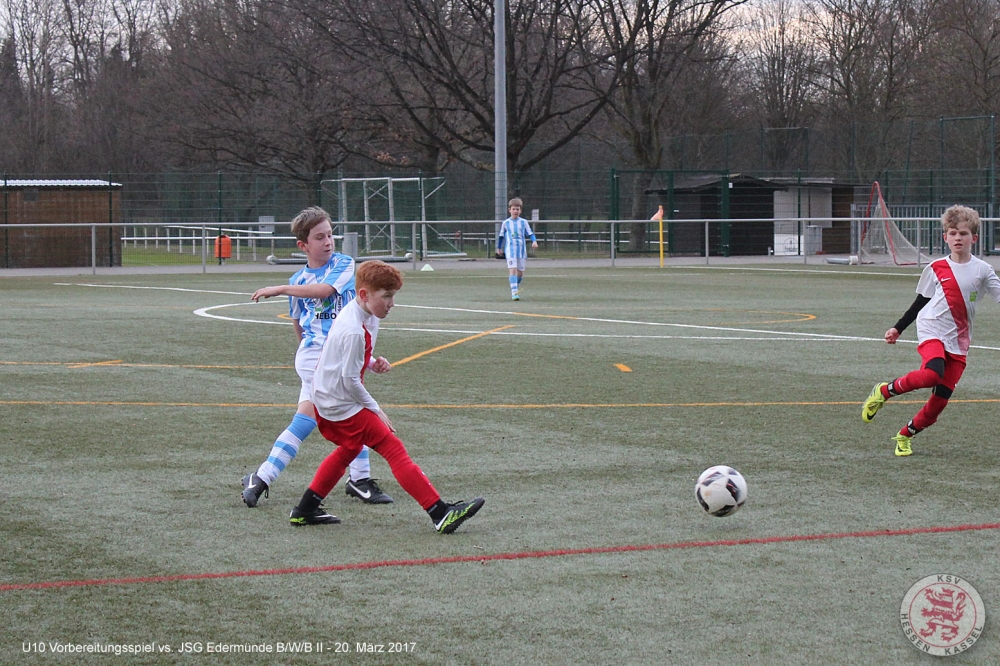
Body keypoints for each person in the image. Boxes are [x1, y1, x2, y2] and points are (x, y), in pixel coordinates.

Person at [289, 259, 486, 533]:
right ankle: (440, 513)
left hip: (328, 397)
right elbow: (349, 380)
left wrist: (371, 362)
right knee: (392, 448)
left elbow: (347, 359)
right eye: (386, 296)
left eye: (393, 296)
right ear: (364, 294)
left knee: (350, 448)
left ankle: (305, 509)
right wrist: (375, 409)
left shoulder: (359, 314)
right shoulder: (353, 330)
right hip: (338, 402)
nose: (391, 303)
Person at [241, 206, 393, 507]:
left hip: (341, 355)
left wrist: (369, 359)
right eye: (319, 237)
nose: (328, 242)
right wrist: (312, 356)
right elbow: (299, 322)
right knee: (346, 413)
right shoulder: (297, 281)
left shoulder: (343, 264)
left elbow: (324, 291)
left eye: (330, 235)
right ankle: (359, 480)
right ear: (303, 245)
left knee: (315, 417)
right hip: (316, 357)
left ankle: (262, 476)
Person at [862, 205, 1000, 456]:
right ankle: (884, 391)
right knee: (932, 375)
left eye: (963, 233)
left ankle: (905, 435)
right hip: (931, 328)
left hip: (959, 339)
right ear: (945, 237)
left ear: (974, 238)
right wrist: (898, 328)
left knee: (939, 402)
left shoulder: (983, 270)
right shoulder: (936, 267)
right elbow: (921, 301)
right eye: (953, 233)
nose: (958, 238)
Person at [496, 197, 538, 301]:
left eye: (517, 209)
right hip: (510, 250)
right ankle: (514, 293)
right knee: (513, 270)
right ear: (509, 210)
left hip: (521, 251)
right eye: (513, 209)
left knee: (520, 273)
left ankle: (514, 284)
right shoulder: (506, 223)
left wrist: (534, 241)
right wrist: (499, 247)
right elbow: (501, 236)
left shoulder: (523, 222)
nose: (515, 211)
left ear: (520, 210)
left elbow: (530, 233)